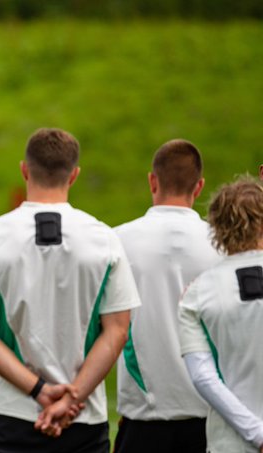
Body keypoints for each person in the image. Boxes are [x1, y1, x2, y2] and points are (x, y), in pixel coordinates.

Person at [0, 128, 142, 453]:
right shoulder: (104, 240)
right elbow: (117, 332)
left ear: (25, 170)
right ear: (74, 175)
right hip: (83, 419)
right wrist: (72, 396)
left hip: (11, 416)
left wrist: (39, 391)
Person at [112, 139, 220, 453]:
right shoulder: (224, 245)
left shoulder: (116, 240)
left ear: (152, 180)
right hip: (209, 416)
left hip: (143, 417)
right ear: (199, 186)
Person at [179, 176, 263, 453]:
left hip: (230, 443)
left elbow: (203, 377)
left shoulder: (196, 294)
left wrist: (257, 434)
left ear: (216, 228)